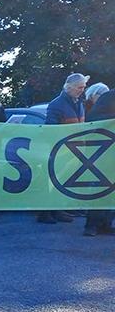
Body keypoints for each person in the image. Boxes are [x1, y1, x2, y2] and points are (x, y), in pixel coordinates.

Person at [39, 73, 88, 224]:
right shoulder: (57, 104)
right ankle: (44, 213)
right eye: (80, 87)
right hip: (59, 150)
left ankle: (58, 209)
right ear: (69, 87)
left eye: (84, 87)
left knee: (63, 181)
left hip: (74, 150)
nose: (82, 90)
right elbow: (50, 128)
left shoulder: (78, 103)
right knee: (52, 181)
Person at [83, 87, 115, 236]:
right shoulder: (108, 97)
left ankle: (105, 224)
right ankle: (91, 225)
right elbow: (93, 120)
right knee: (100, 188)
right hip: (102, 151)